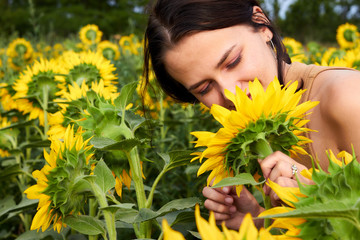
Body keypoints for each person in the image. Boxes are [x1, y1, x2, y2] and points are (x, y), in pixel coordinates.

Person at [143, 0, 360, 230]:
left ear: (262, 24)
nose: (231, 93)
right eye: (204, 89)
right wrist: (258, 219)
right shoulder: (256, 135)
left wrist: (320, 197)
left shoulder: (347, 97)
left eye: (233, 61)